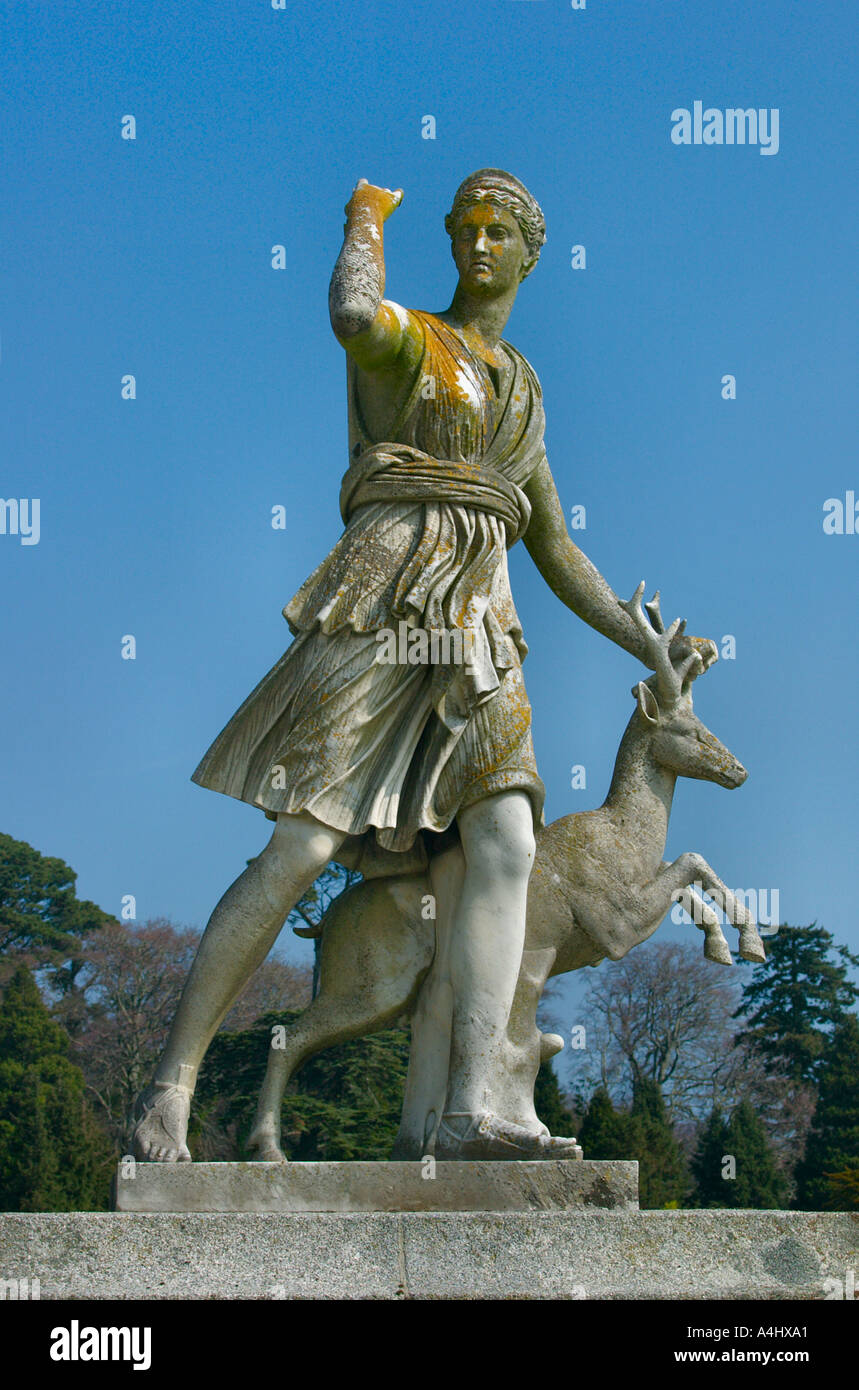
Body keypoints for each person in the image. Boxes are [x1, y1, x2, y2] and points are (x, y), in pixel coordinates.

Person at [133, 169, 695, 1162]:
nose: (478, 246)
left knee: (507, 845)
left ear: (530, 252)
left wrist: (640, 640)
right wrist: (363, 220)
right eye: (465, 230)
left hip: (482, 623)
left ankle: (472, 1105)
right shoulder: (411, 342)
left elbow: (558, 551)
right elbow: (353, 312)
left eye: (498, 233)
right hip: (387, 596)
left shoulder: (521, 388)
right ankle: (173, 1082)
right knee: (299, 852)